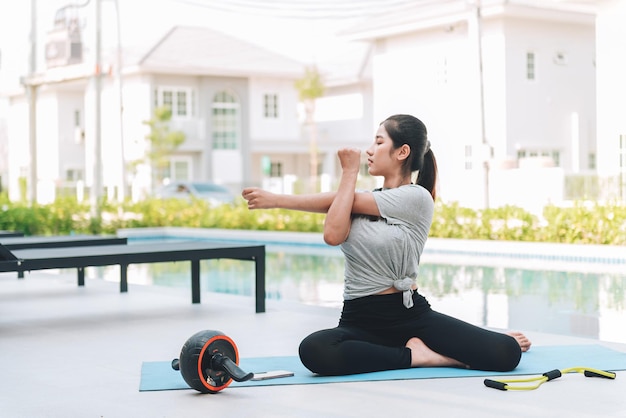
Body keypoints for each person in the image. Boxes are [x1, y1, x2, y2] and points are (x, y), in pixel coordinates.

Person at [242, 114, 531, 376]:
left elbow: (343, 199)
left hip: (409, 315)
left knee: (507, 353)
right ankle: (419, 357)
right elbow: (332, 235)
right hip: (359, 318)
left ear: (402, 152)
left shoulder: (416, 198)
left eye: (379, 142)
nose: (370, 150)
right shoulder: (352, 200)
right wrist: (277, 199)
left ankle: (425, 351)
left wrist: (346, 175)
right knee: (314, 350)